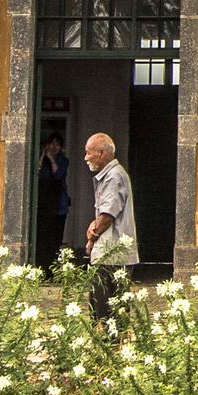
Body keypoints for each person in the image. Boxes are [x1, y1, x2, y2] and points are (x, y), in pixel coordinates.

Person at [83, 131, 137, 324]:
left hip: (112, 253)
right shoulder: (112, 175)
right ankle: (113, 344)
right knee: (114, 305)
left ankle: (110, 345)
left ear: (101, 153)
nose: (86, 157)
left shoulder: (113, 177)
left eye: (89, 153)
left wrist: (92, 238)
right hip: (113, 252)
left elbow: (108, 215)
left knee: (106, 307)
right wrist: (93, 224)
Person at [35, 132, 71, 269]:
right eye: (51, 143)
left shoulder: (63, 160)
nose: (53, 146)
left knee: (55, 239)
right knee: (42, 238)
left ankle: (52, 268)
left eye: (57, 144)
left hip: (58, 207)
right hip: (43, 206)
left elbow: (58, 175)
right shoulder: (41, 159)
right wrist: (42, 156)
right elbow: (36, 173)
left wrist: (51, 159)